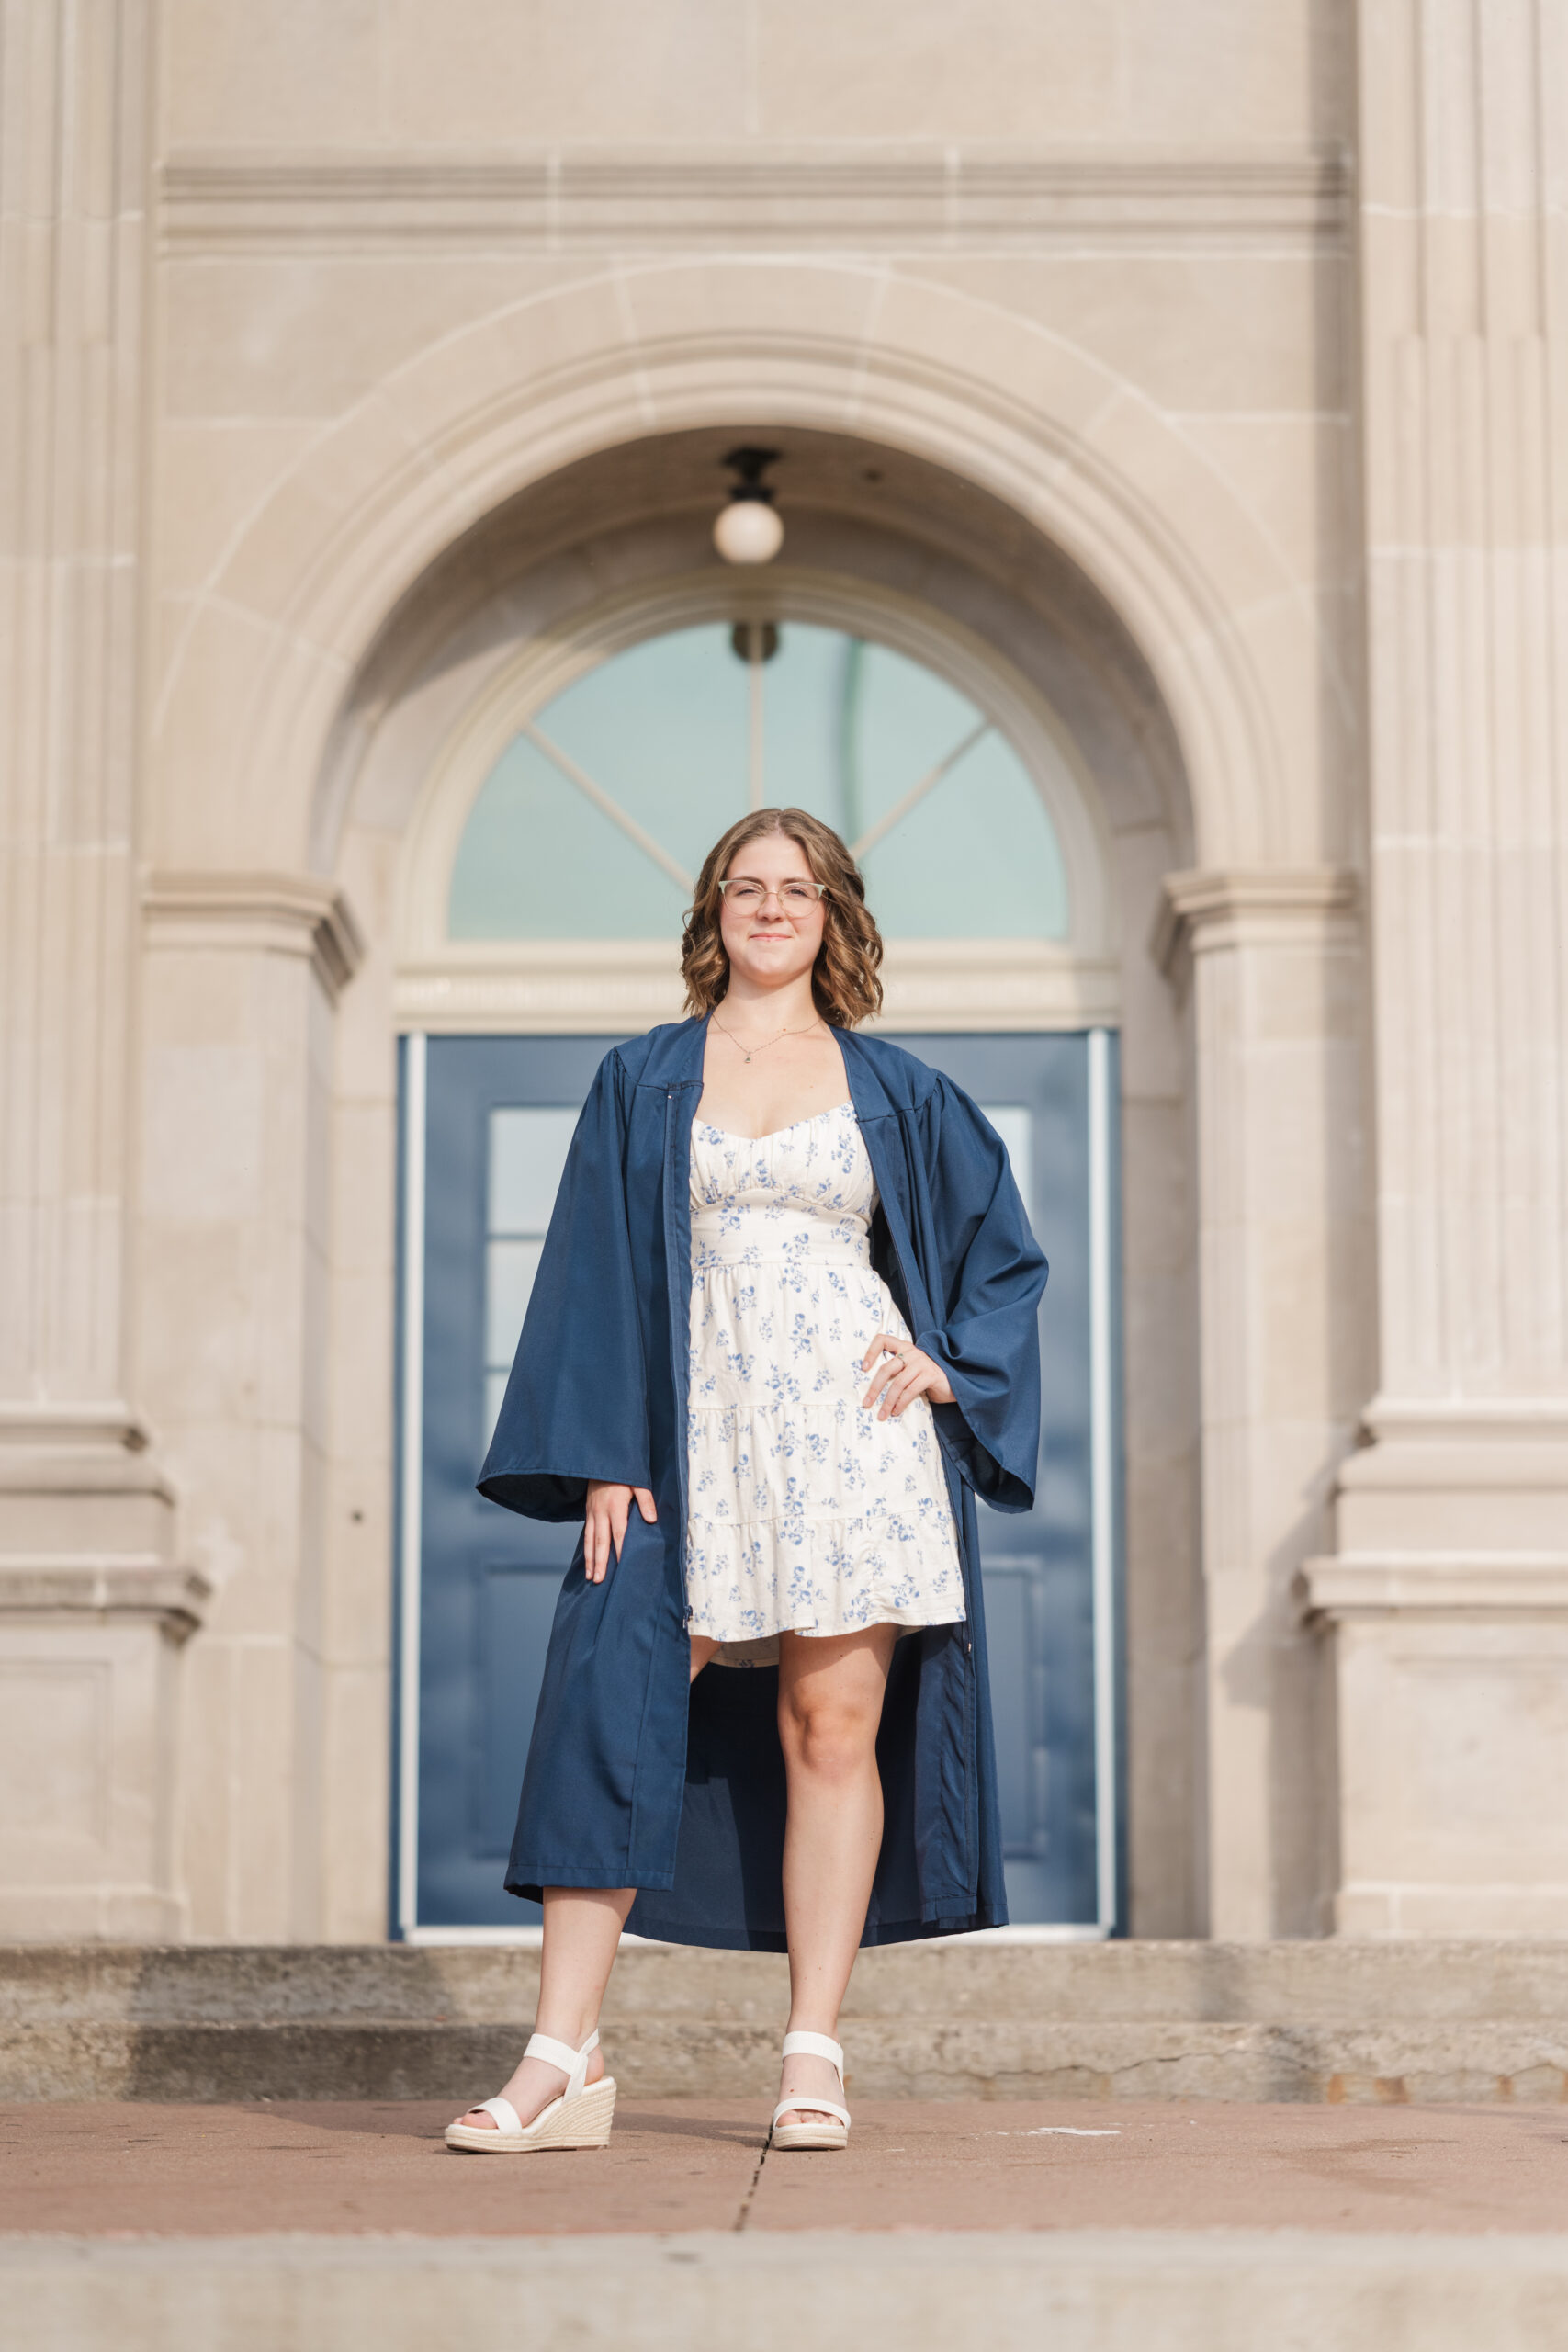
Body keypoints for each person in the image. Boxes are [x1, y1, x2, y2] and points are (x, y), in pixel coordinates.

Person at [446, 807, 1047, 2155]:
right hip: (683, 1437)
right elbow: (592, 1265)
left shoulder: (897, 1088)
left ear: (834, 914)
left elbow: (1002, 1258)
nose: (768, 908)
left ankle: (811, 2059)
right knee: (611, 1701)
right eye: (743, 887)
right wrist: (602, 1448)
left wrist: (953, 1368)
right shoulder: (646, 1076)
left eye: (796, 890)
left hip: (850, 1437)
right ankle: (563, 2052)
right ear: (712, 911)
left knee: (831, 1731)